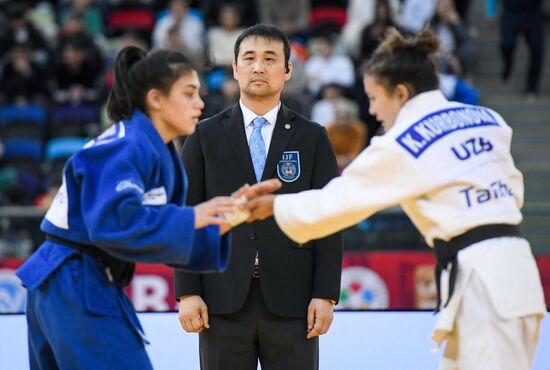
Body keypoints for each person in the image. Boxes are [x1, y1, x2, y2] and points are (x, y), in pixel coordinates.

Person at [247, 28, 547, 370]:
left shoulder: (404, 141)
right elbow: (512, 187)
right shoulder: (487, 119)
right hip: (514, 271)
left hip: (483, 285)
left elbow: (340, 200)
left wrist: (275, 206)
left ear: (401, 93)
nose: (373, 111)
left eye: (374, 98)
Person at [15, 46, 280, 370]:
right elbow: (115, 223)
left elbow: (156, 233)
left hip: (67, 280)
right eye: (189, 93)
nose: (199, 103)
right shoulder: (128, 144)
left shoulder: (155, 149)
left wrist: (231, 215)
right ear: (156, 99)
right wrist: (194, 215)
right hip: (74, 278)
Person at [174, 24, 343, 370]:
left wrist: (325, 294)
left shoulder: (312, 138)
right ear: (235, 69)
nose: (258, 67)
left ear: (288, 70)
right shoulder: (204, 136)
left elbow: (329, 218)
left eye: (270, 59)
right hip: (220, 301)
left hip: (294, 302)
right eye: (249, 59)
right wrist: (188, 291)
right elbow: (187, 216)